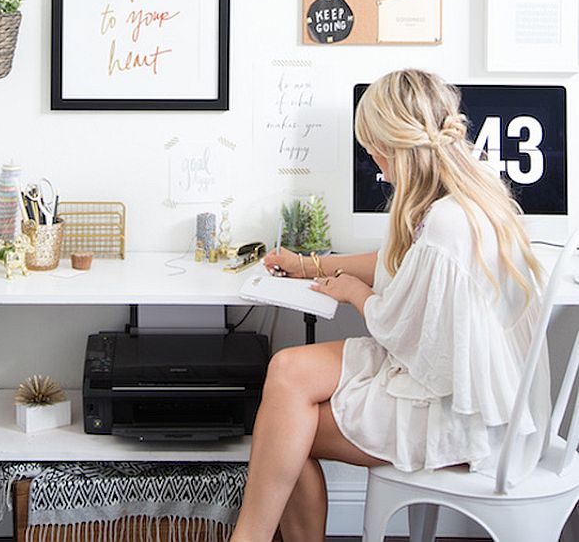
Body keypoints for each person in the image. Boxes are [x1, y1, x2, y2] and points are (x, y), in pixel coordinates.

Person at [230, 69, 549, 542]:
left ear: (397, 144)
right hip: (457, 383)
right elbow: (398, 267)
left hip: (467, 417)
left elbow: (404, 332)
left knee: (284, 428)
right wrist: (310, 265)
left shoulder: (447, 224)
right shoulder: (470, 191)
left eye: (374, 148)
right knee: (287, 371)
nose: (375, 164)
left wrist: (354, 293)